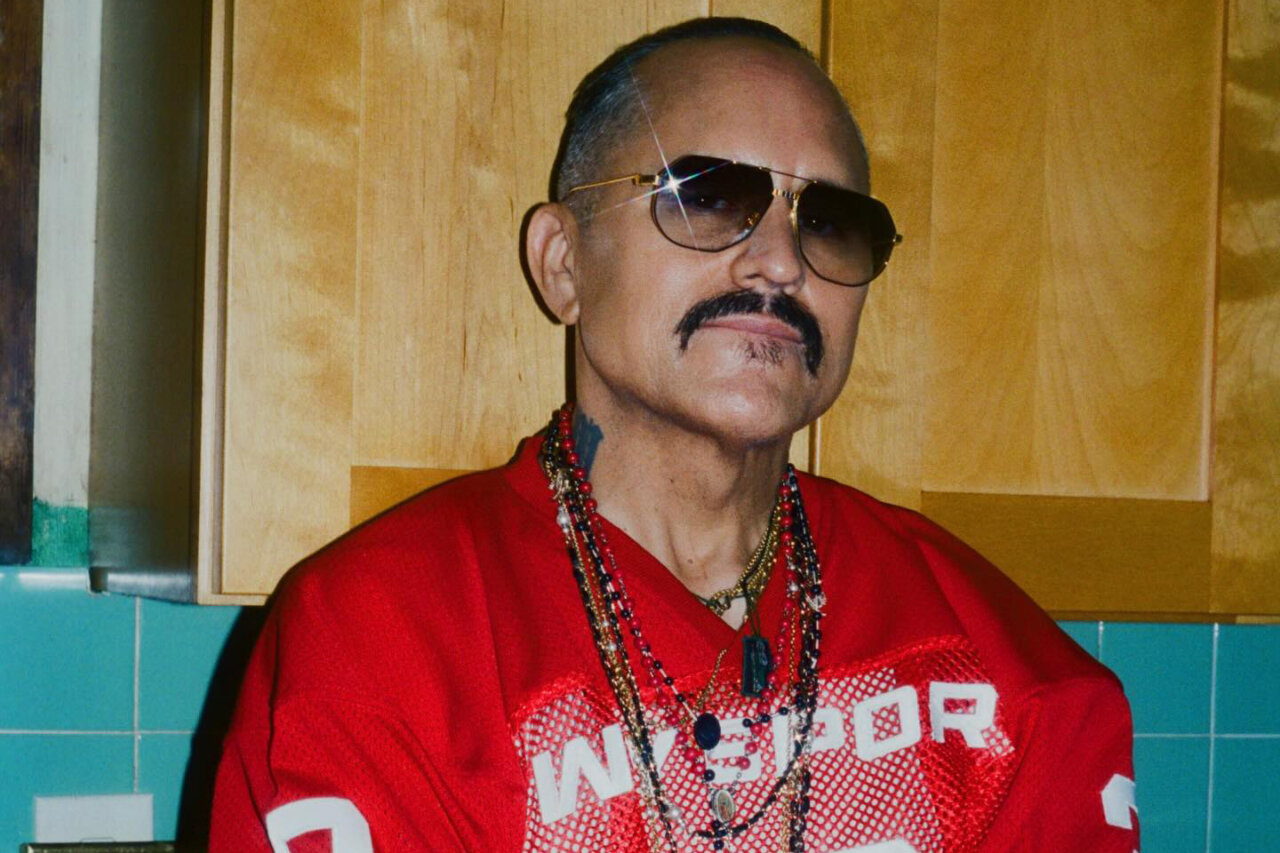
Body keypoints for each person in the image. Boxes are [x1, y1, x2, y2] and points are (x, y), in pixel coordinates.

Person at [210, 17, 1139, 852]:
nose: (780, 260)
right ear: (562, 262)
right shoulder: (381, 646)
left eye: (832, 221)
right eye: (707, 195)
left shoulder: (1007, 677)